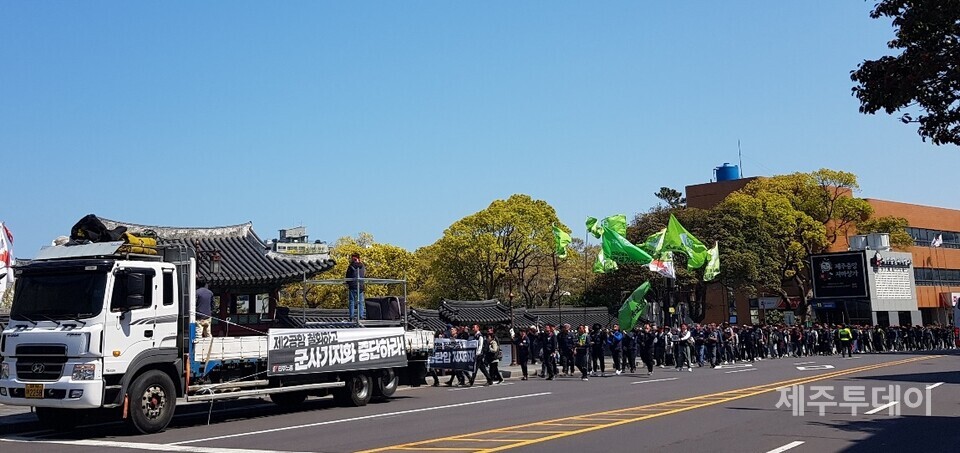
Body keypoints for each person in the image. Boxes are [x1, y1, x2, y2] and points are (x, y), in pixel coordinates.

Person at [345, 252, 366, 320]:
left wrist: (348, 283)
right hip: (360, 286)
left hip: (352, 286)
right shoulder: (362, 266)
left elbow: (347, 276)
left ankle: (351, 317)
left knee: (352, 302)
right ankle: (361, 316)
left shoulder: (351, 266)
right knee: (361, 302)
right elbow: (363, 275)